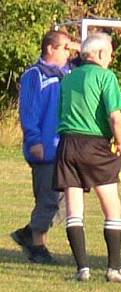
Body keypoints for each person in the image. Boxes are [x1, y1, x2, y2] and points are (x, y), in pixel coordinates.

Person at [54, 32, 121, 284]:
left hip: (67, 144)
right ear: (97, 54)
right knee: (112, 206)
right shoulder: (106, 77)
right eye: (108, 53)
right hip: (95, 145)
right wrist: (120, 141)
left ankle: (82, 269)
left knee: (75, 208)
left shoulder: (68, 78)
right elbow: (115, 116)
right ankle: (114, 269)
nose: (110, 58)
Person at [13, 30, 77, 264]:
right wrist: (34, 140)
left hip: (65, 147)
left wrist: (74, 45)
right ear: (50, 48)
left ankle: (29, 233)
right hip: (45, 147)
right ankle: (37, 245)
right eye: (64, 48)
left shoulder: (68, 72)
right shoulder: (35, 74)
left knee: (66, 200)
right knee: (48, 198)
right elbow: (28, 110)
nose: (69, 53)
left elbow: (90, 55)